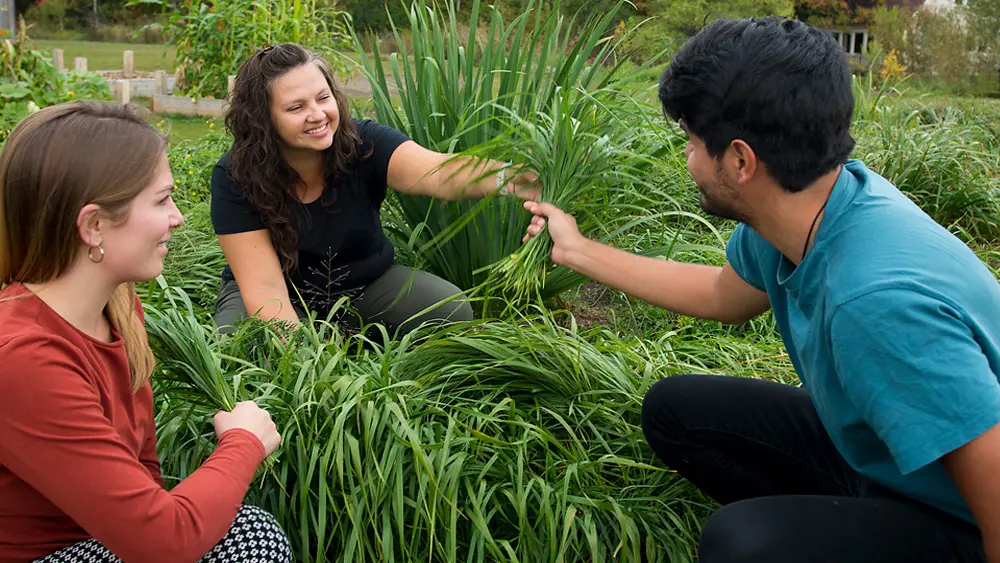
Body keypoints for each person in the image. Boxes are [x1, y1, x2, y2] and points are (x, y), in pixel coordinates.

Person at [521, 17, 1000, 563]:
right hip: (890, 461)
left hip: (965, 515)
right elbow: (723, 296)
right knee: (678, 412)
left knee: (740, 544)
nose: (689, 160)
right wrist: (577, 250)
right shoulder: (813, 203)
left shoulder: (874, 304)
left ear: (741, 160)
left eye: (693, 143)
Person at [0, 101, 291, 563]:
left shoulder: (117, 305)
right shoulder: (23, 358)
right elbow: (163, 544)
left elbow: (143, 464)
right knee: (251, 537)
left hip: (100, 540)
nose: (178, 217)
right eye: (161, 200)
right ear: (94, 225)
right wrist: (243, 442)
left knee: (247, 531)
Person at [211, 43, 539, 336]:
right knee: (241, 342)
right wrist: (309, 374)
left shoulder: (364, 143)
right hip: (278, 291)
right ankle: (318, 343)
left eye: (323, 98)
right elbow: (265, 289)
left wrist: (517, 179)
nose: (317, 115)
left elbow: (441, 174)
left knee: (448, 309)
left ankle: (345, 335)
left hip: (364, 286)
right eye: (296, 108)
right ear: (263, 119)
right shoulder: (236, 174)